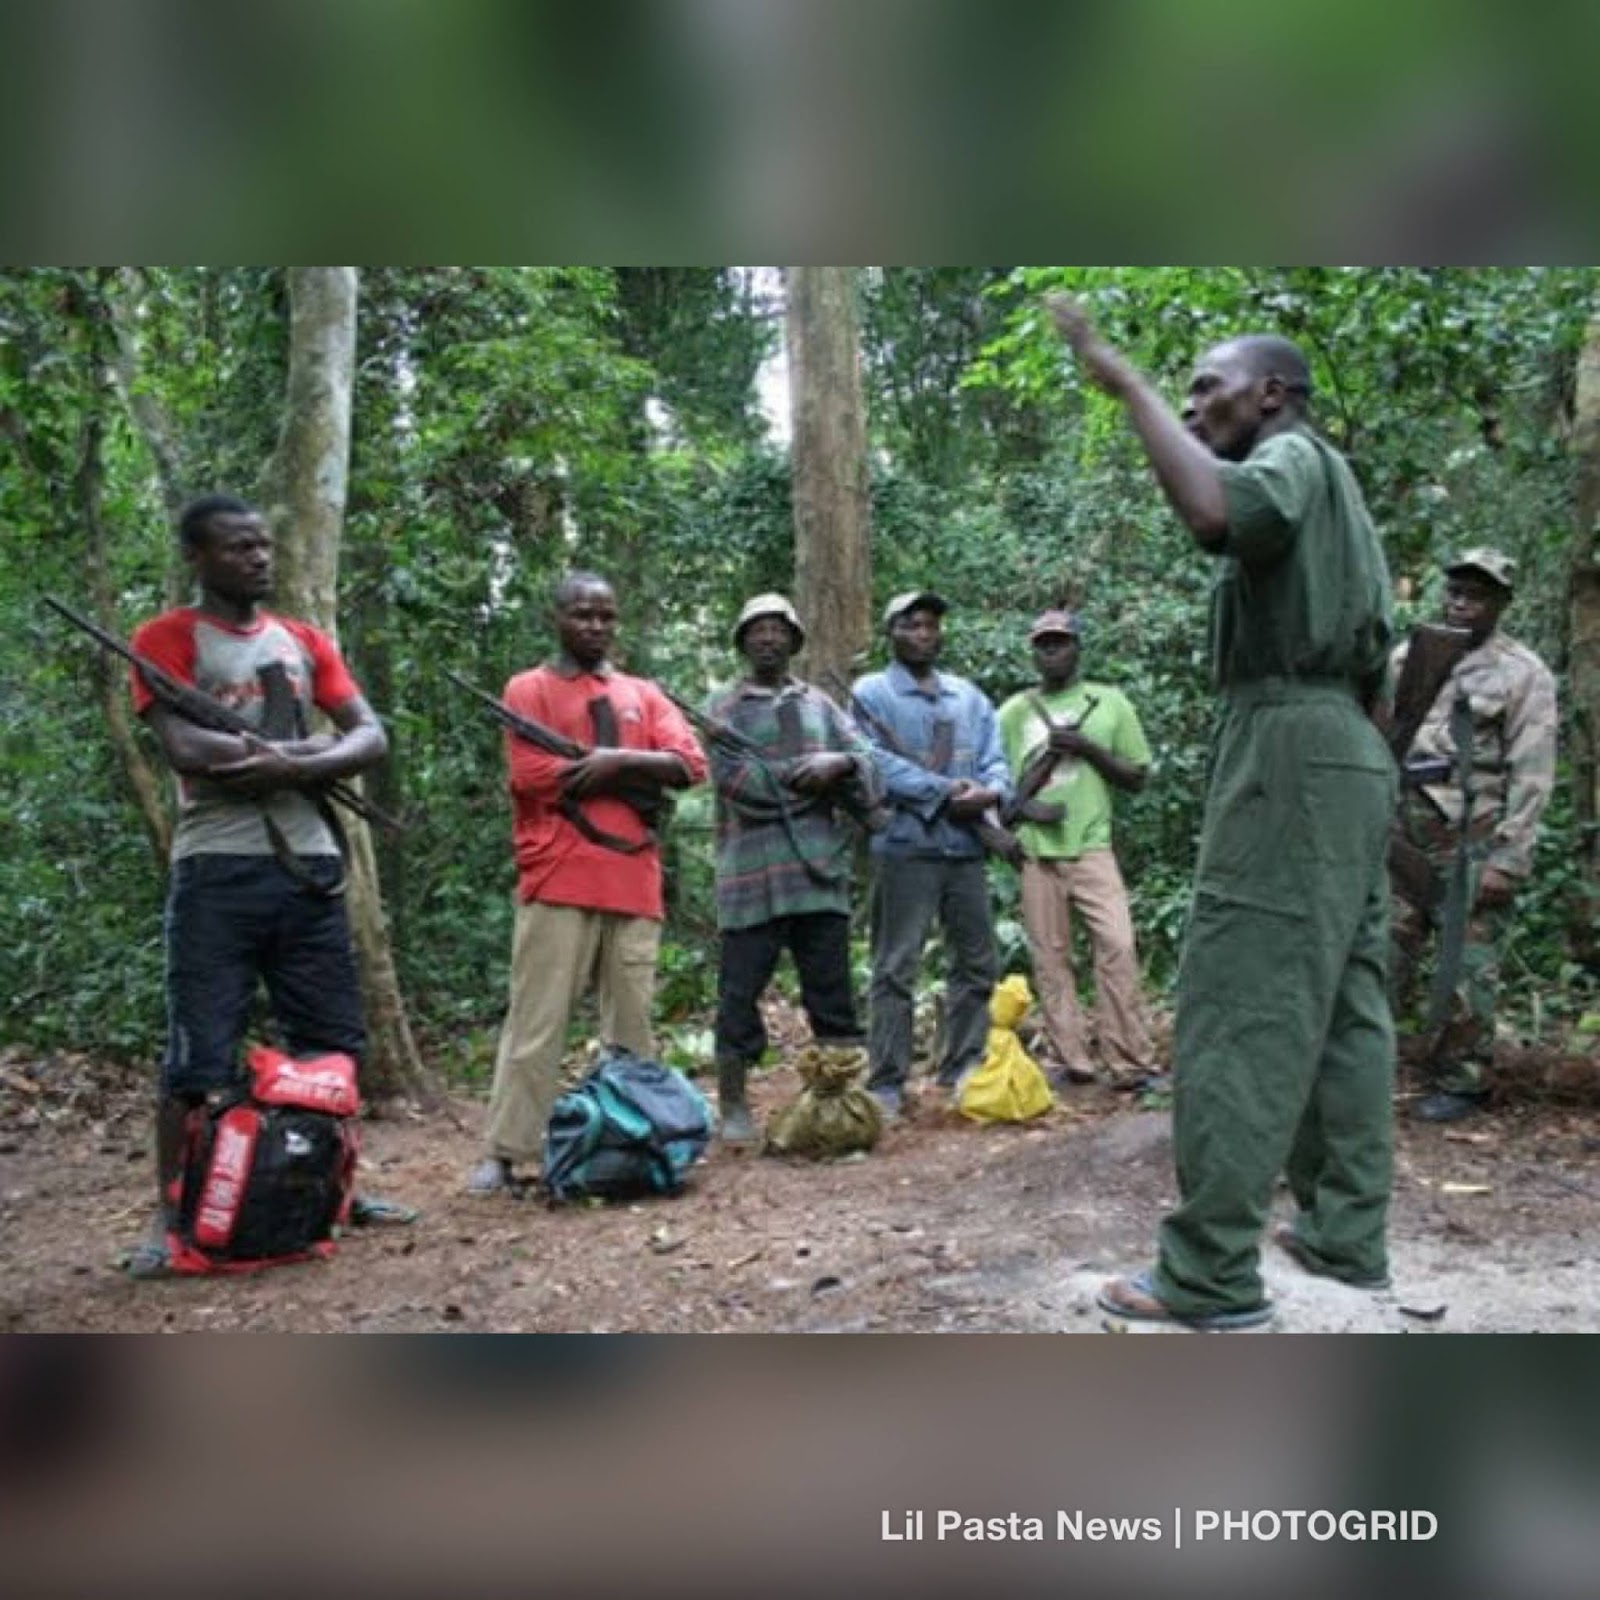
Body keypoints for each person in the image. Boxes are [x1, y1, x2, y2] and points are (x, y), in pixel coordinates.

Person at [1049, 297, 1397, 1330]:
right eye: (1187, 388)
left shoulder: (1289, 462)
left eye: (1212, 386)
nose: (1197, 405)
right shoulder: (1337, 489)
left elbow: (1217, 518)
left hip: (1291, 748)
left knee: (1242, 998)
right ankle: (1344, 1232)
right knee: (1342, 1002)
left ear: (1273, 395)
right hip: (1345, 749)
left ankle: (1208, 1272)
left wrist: (1129, 384)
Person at [124, 494, 416, 1279]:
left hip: (310, 864)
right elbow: (182, 744)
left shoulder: (305, 640)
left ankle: (335, 1187)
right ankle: (169, 1212)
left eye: (262, 544)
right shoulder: (166, 638)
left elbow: (369, 733)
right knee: (199, 1052)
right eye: (236, 547)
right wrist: (280, 756)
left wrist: (296, 763)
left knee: (332, 1043)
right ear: (198, 556)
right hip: (216, 865)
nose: (257, 557)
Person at [468, 572, 707, 1195]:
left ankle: (640, 1140)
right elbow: (531, 774)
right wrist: (609, 767)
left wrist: (619, 761)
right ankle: (506, 1149)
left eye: (605, 616)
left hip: (634, 879)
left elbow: (689, 763)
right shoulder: (529, 688)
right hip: (558, 875)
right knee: (537, 1022)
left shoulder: (643, 693)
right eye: (582, 615)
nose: (595, 627)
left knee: (632, 1026)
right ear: (557, 618)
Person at [705, 594, 882, 1144]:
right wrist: (803, 781)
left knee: (831, 992)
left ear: (793, 640)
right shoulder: (722, 709)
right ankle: (734, 1102)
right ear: (742, 641)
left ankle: (844, 1103)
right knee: (738, 995)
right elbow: (736, 785)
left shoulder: (821, 706)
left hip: (817, 875)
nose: (767, 639)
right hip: (749, 879)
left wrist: (841, 763)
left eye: (777, 630)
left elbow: (868, 763)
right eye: (756, 630)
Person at [1390, 548, 1558, 1124]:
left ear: (1501, 604)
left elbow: (1533, 772)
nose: (1462, 604)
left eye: (1477, 595)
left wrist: (1509, 856)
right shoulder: (1411, 655)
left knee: (1467, 960)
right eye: (1456, 592)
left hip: (1472, 828)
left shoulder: (1523, 673)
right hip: (1406, 819)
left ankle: (1463, 1080)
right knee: (1386, 943)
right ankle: (1370, 1063)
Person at [852, 592, 1012, 1121]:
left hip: (964, 848)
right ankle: (887, 1079)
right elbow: (871, 761)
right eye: (911, 625)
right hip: (905, 845)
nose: (923, 633)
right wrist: (943, 790)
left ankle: (962, 1062)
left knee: (976, 959)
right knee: (896, 964)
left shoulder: (967, 696)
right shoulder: (870, 693)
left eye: (931, 625)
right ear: (891, 633)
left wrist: (991, 794)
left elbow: (996, 759)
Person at [996, 608, 1158, 1091]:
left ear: (1077, 648)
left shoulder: (1109, 703)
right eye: (1043, 644)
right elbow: (996, 786)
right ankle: (1074, 1061)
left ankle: (1129, 1060)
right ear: (1033, 652)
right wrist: (1015, 826)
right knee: (1050, 959)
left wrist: (1088, 748)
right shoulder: (1013, 712)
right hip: (1036, 854)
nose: (1052, 651)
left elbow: (1137, 776)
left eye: (1060, 642)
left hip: (1092, 847)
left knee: (1118, 947)